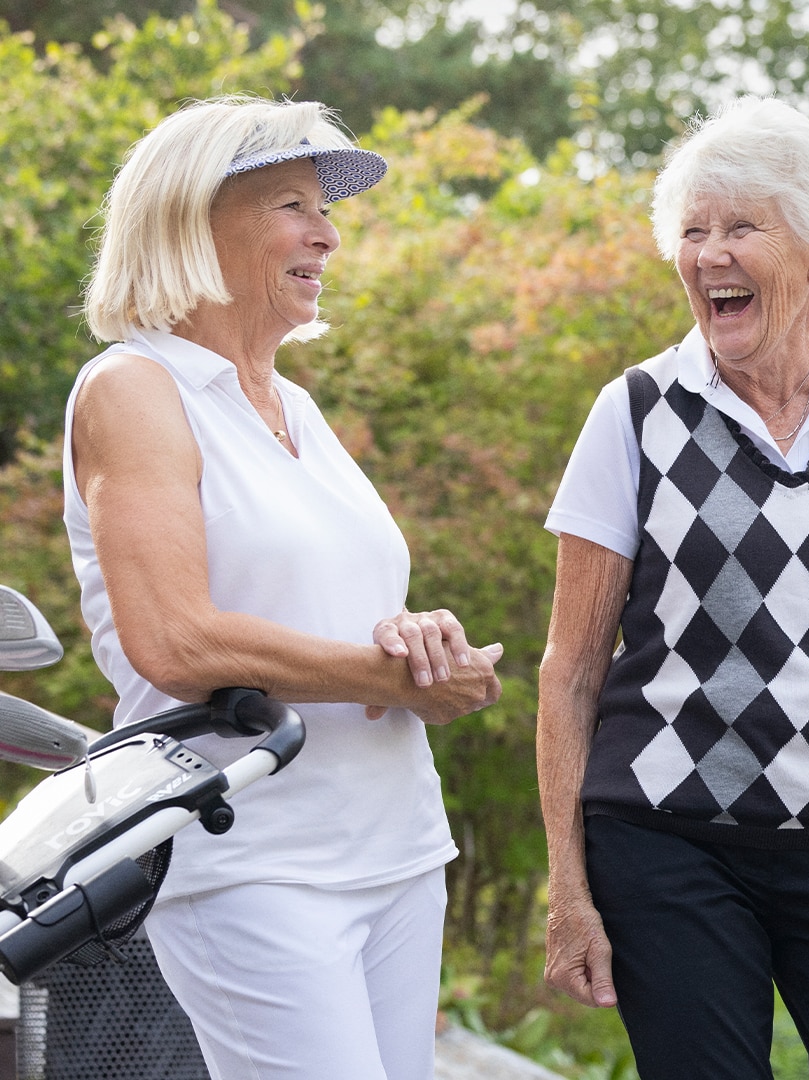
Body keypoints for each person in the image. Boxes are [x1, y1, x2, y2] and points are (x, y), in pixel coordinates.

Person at [536, 95, 809, 1080]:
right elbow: (569, 670)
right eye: (692, 232)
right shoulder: (636, 412)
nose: (709, 255)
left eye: (742, 226)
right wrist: (569, 888)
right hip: (667, 840)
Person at [64, 95, 504, 1080]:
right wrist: (388, 680)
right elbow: (175, 641)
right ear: (190, 218)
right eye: (292, 206)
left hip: (396, 849)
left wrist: (423, 646)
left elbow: (330, 611)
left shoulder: (296, 407)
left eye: (326, 211)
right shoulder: (134, 387)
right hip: (252, 861)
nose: (328, 235)